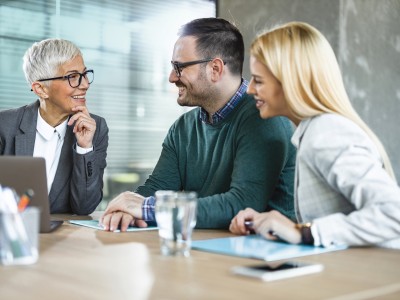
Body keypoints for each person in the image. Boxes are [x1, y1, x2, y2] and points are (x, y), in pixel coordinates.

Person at [100, 17, 296, 231]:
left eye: (179, 67)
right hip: (209, 250)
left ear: (215, 69)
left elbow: (243, 204)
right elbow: (157, 189)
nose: (171, 77)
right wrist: (126, 209)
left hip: (269, 256)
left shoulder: (264, 118)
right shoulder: (182, 128)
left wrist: (148, 208)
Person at [229, 21, 400, 248]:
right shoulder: (312, 131)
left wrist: (306, 233)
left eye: (258, 80)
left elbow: (394, 212)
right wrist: (269, 221)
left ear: (291, 81)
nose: (250, 90)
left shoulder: (326, 133)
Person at [0, 38, 109, 215]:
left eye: (85, 74)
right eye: (73, 77)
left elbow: (85, 207)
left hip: (63, 238)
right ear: (41, 89)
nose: (85, 84)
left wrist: (84, 148)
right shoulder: (4, 125)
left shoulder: (95, 128)